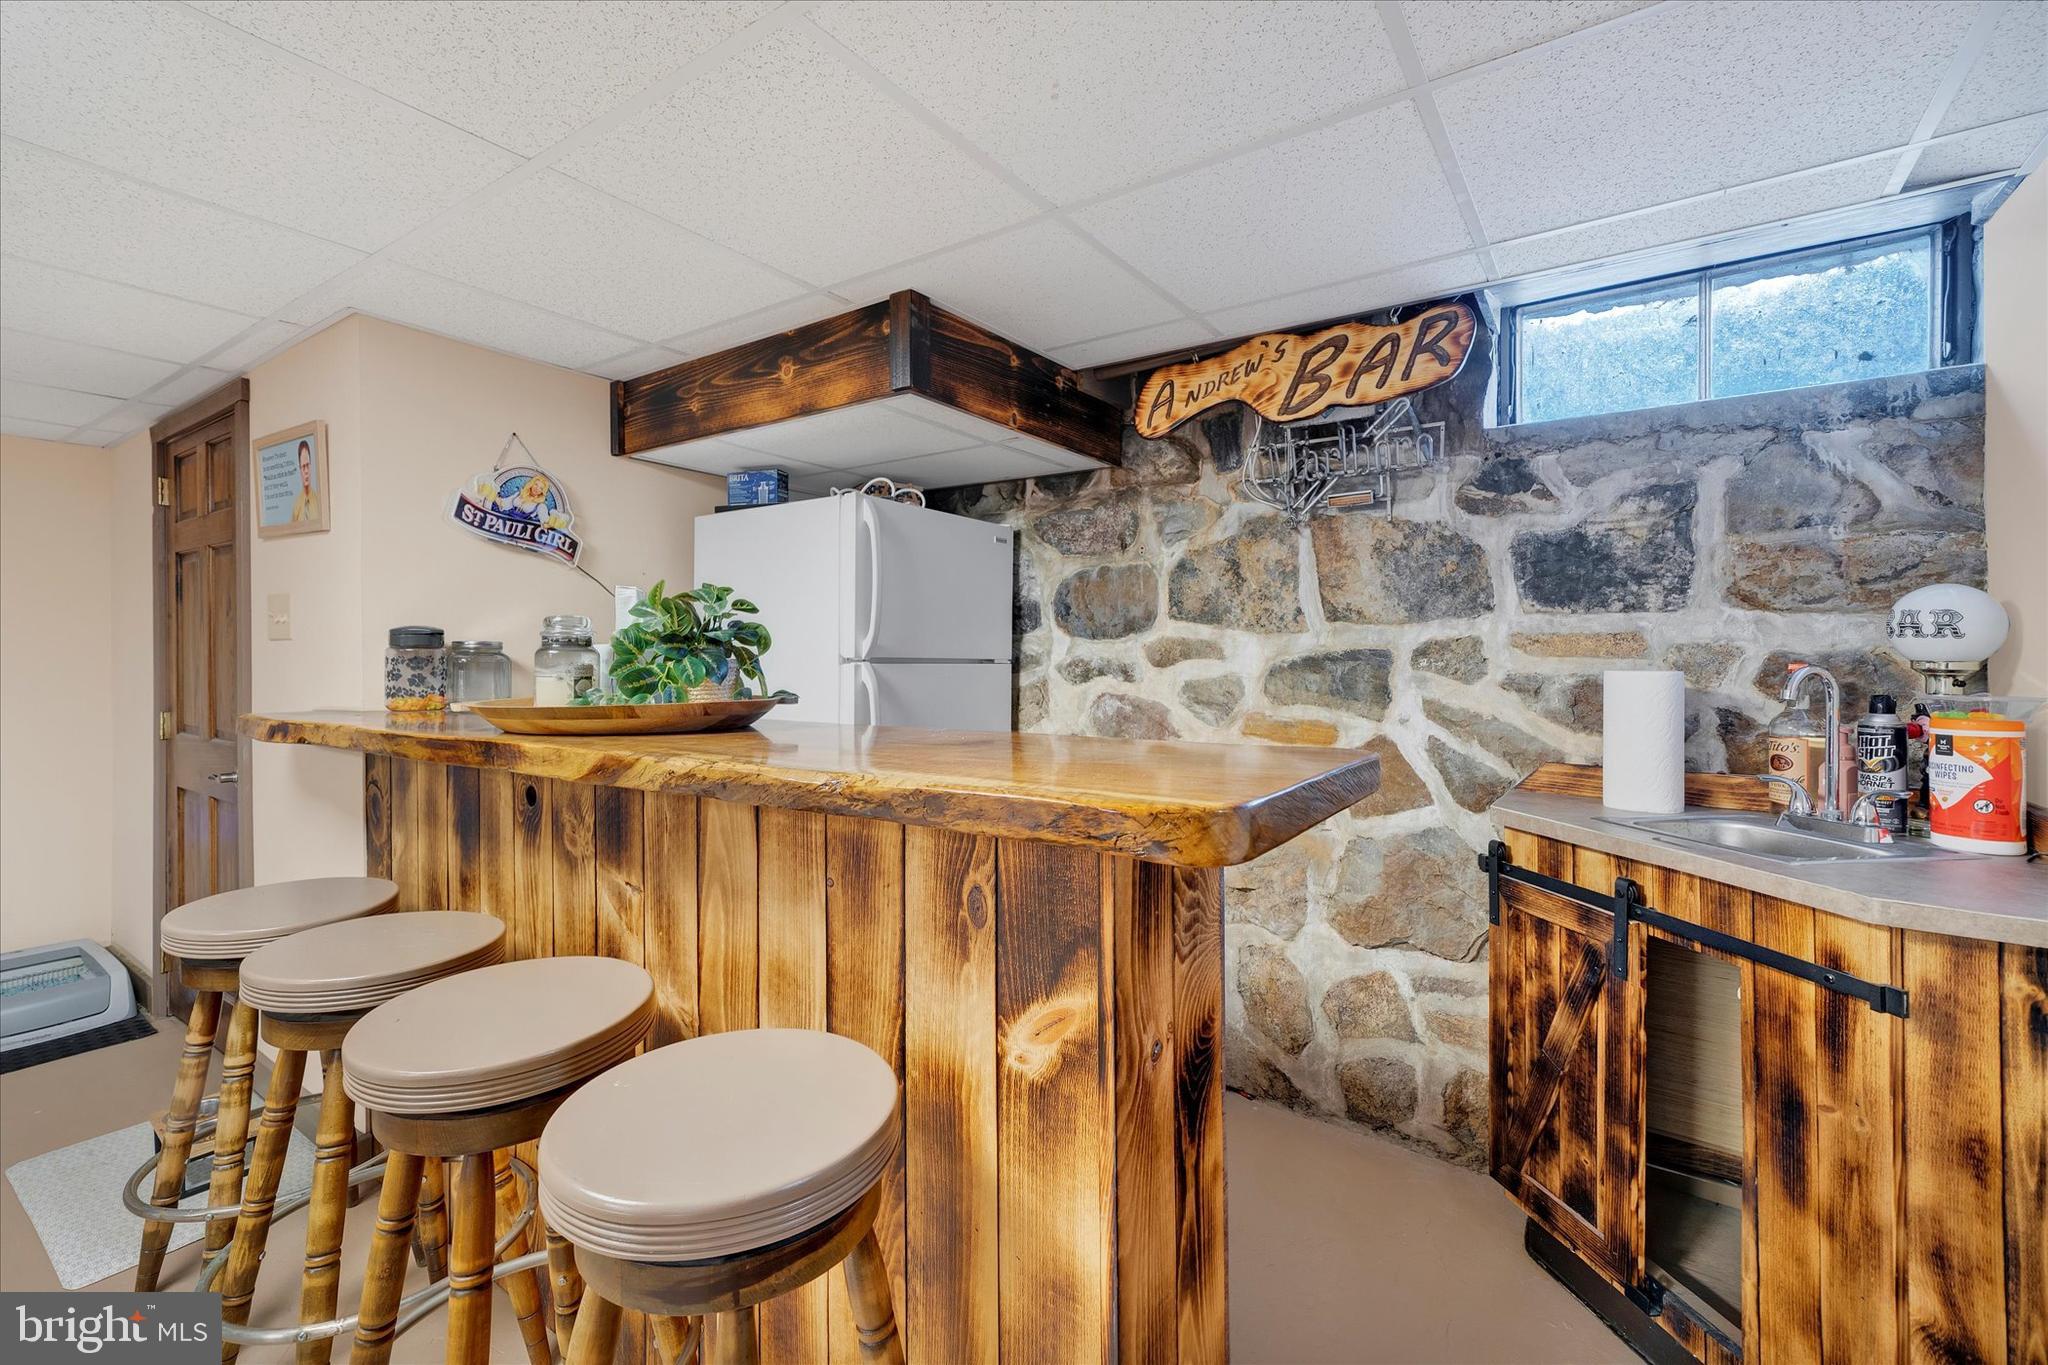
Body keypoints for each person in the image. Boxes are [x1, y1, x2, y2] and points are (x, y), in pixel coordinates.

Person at [290, 439, 320, 523]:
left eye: (307, 465)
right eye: (303, 467)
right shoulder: (296, 507)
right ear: (299, 469)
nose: (306, 471)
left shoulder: (319, 502)